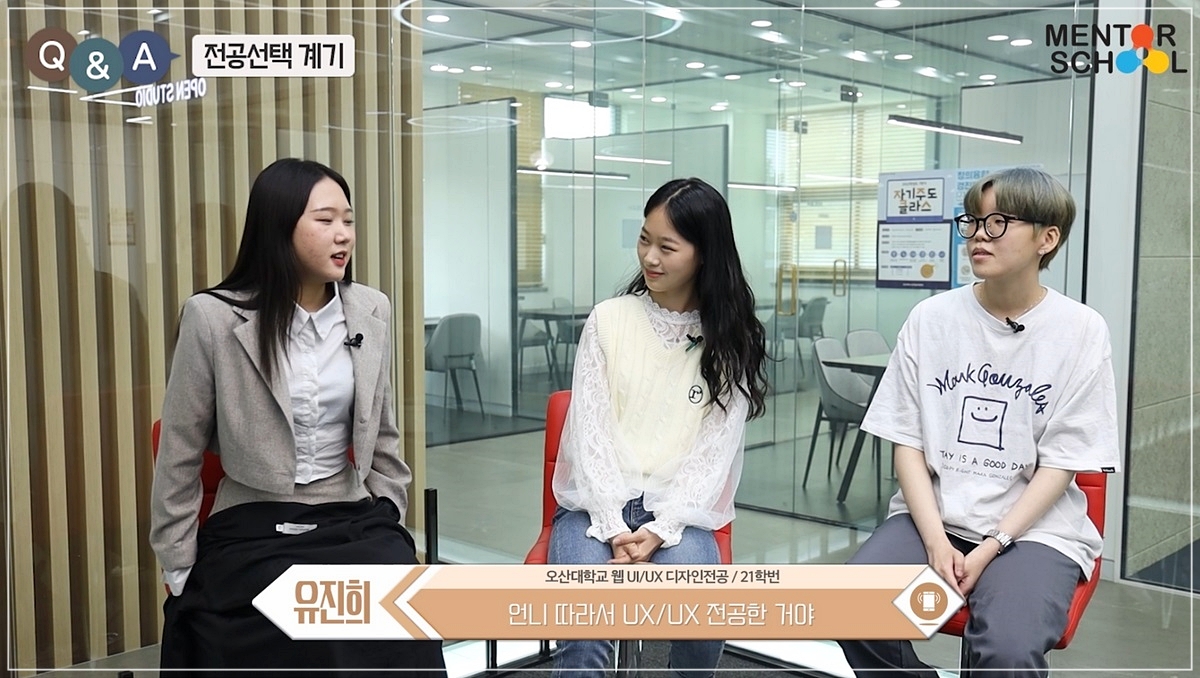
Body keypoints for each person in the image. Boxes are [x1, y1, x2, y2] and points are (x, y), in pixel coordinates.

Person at [149, 158, 447, 676]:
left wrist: (389, 510)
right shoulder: (212, 317)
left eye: (348, 221)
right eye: (325, 220)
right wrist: (178, 563)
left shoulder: (371, 310)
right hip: (252, 521)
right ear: (278, 227)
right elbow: (180, 451)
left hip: (349, 515)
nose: (343, 234)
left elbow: (383, 436)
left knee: (401, 615)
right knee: (280, 626)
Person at [837, 167, 1120, 678]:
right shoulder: (932, 318)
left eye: (998, 222)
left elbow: (1062, 463)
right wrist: (935, 540)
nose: (978, 236)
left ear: (1047, 239)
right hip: (934, 516)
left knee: (1006, 652)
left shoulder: (1080, 330)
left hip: (1035, 531)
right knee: (853, 604)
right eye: (972, 221)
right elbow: (907, 442)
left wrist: (992, 546)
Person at [548, 177, 769, 678]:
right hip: (594, 506)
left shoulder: (728, 339)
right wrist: (612, 525)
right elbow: (590, 434)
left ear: (704, 255)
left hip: (679, 513)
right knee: (585, 630)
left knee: (704, 623)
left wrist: (659, 528)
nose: (650, 257)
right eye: (645, 239)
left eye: (667, 247)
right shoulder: (608, 320)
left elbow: (713, 454)